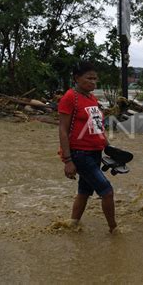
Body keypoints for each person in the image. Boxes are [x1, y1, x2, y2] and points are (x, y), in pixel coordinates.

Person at [58, 61, 117, 233]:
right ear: (77, 78)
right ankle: (114, 230)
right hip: (80, 153)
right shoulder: (70, 97)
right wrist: (67, 160)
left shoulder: (92, 98)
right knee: (107, 191)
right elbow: (62, 130)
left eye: (95, 79)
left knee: (84, 191)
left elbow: (97, 126)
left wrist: (108, 146)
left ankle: (73, 224)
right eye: (89, 78)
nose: (93, 82)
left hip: (95, 152)